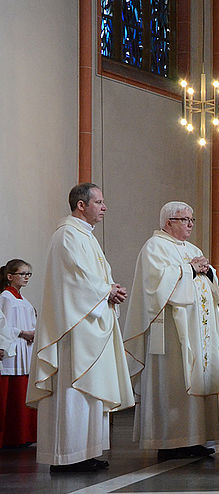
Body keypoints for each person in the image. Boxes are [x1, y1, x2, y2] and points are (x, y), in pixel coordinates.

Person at [26, 183, 134, 472]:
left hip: (90, 325)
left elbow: (92, 277)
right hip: (73, 329)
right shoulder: (67, 236)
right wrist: (106, 291)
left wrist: (109, 290)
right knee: (73, 390)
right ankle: (66, 456)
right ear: (81, 205)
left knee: (89, 391)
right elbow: (75, 280)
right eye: (98, 202)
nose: (104, 207)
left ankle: (87, 452)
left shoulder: (85, 236)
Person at [123, 201, 219, 461]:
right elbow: (155, 286)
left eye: (192, 219)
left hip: (196, 330)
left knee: (198, 380)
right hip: (171, 333)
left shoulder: (192, 248)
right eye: (185, 220)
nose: (190, 224)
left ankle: (194, 439)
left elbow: (208, 283)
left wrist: (209, 271)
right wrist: (189, 269)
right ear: (168, 222)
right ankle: (169, 441)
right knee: (173, 383)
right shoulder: (154, 247)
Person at [0, 259, 38, 447]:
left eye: (28, 274)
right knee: (13, 394)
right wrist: (22, 332)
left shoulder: (23, 300)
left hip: (26, 348)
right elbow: (3, 326)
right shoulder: (6, 297)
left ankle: (26, 435)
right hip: (13, 349)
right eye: (23, 274)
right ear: (10, 276)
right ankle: (11, 437)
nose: (26, 278)